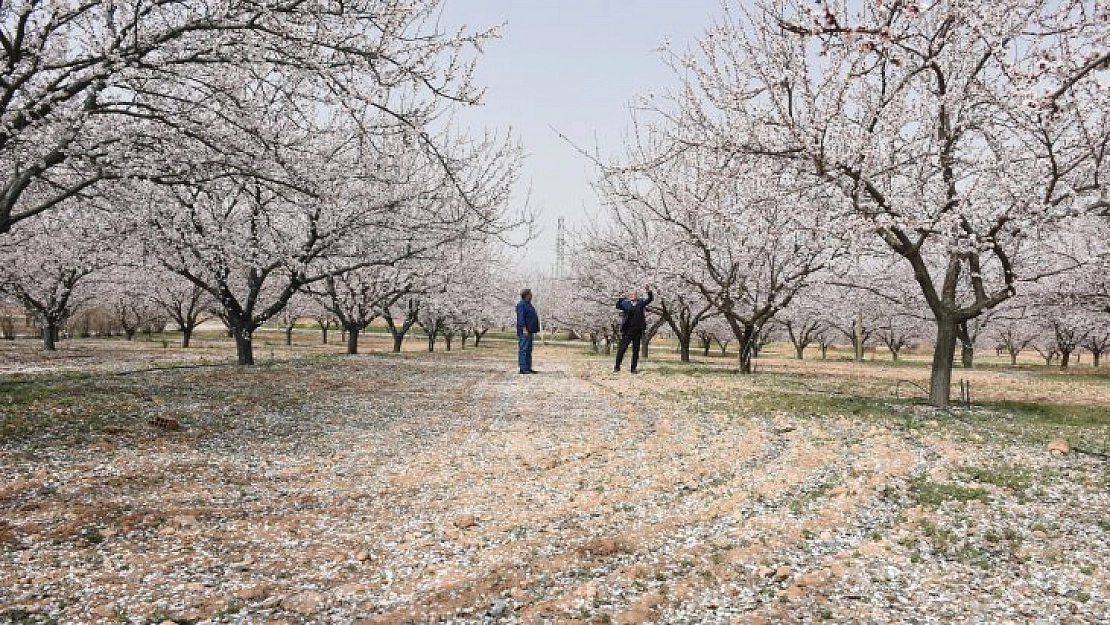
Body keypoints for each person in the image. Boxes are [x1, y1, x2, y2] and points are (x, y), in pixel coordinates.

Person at [614, 288, 654, 373]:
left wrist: (649, 292)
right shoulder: (625, 303)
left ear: (637, 295)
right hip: (627, 330)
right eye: (631, 295)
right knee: (622, 348)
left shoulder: (641, 303)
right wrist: (621, 298)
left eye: (634, 295)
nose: (632, 296)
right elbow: (618, 306)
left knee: (636, 350)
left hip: (638, 330)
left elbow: (650, 299)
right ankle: (617, 367)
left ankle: (633, 368)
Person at [515, 288, 540, 374]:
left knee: (529, 350)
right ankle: (523, 368)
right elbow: (521, 318)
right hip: (524, 331)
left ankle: (528, 367)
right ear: (526, 295)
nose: (531, 295)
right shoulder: (521, 305)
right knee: (524, 349)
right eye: (530, 294)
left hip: (530, 331)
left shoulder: (529, 305)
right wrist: (524, 329)